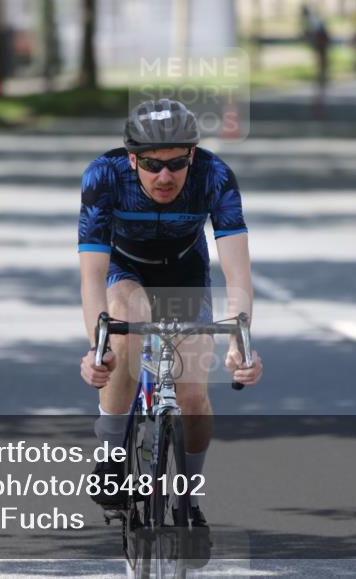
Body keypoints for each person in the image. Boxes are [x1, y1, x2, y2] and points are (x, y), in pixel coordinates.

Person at [78, 99, 264, 529]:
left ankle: (190, 497)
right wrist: (97, 348)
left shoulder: (215, 177)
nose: (164, 176)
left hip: (185, 272)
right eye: (150, 164)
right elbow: (92, 276)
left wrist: (241, 344)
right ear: (131, 158)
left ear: (192, 156)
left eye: (177, 163)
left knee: (194, 395)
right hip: (126, 269)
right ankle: (111, 457)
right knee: (125, 318)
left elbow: (238, 273)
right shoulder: (103, 177)